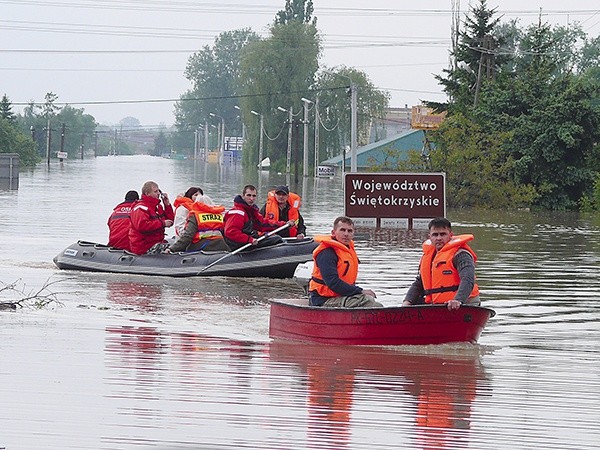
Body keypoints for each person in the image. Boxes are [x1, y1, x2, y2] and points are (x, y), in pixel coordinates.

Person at [402, 217, 480, 311]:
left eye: (443, 234)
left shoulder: (461, 254)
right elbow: (419, 283)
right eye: (435, 235)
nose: (439, 238)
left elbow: (468, 279)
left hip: (464, 303)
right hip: (438, 306)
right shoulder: (428, 257)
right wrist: (407, 302)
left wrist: (458, 300)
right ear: (430, 237)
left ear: (450, 235)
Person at [308, 216, 382, 308]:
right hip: (323, 300)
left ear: (353, 234)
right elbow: (333, 283)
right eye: (342, 230)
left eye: (349, 231)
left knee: (371, 300)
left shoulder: (348, 249)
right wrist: (360, 291)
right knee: (369, 303)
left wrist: (358, 292)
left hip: (341, 296)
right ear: (333, 233)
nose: (346, 234)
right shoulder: (326, 253)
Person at [223, 184, 296, 251]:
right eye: (249, 195)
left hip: (248, 239)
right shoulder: (238, 213)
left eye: (254, 196)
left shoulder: (251, 211)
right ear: (243, 196)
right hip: (238, 244)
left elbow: (262, 224)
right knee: (276, 239)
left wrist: (284, 224)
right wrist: (249, 240)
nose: (251, 198)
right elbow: (231, 232)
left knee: (275, 238)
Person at [129, 181, 174, 255]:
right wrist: (162, 223)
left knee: (178, 246)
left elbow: (170, 221)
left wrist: (167, 205)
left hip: (156, 242)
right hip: (144, 247)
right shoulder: (140, 208)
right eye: (155, 191)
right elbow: (142, 226)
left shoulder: (158, 207)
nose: (159, 193)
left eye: (159, 191)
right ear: (147, 193)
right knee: (172, 249)